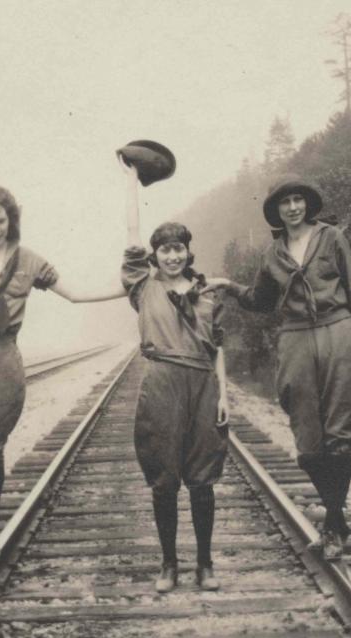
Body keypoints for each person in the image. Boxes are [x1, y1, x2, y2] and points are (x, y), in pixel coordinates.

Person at [0, 184, 124, 576]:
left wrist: (126, 288)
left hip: (2, 355)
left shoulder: (30, 261)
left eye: (1, 220)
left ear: (11, 219)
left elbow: (73, 294)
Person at [205, 174, 351, 559]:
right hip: (296, 339)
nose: (292, 207)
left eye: (298, 200)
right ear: (276, 211)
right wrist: (229, 285)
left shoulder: (332, 238)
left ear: (307, 204)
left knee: (339, 437)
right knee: (308, 444)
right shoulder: (272, 255)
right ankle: (336, 521)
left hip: (339, 334)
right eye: (284, 203)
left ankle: (334, 524)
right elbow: (260, 300)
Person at [119, 158, 229, 592]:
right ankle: (169, 564)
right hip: (162, 382)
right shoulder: (144, 287)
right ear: (155, 255)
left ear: (188, 251)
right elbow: (130, 234)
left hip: (203, 385)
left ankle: (204, 563)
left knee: (203, 479)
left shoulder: (206, 297)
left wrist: (225, 396)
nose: (172, 255)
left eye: (178, 248)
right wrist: (131, 183)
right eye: (164, 249)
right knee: (164, 478)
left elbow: (218, 348)